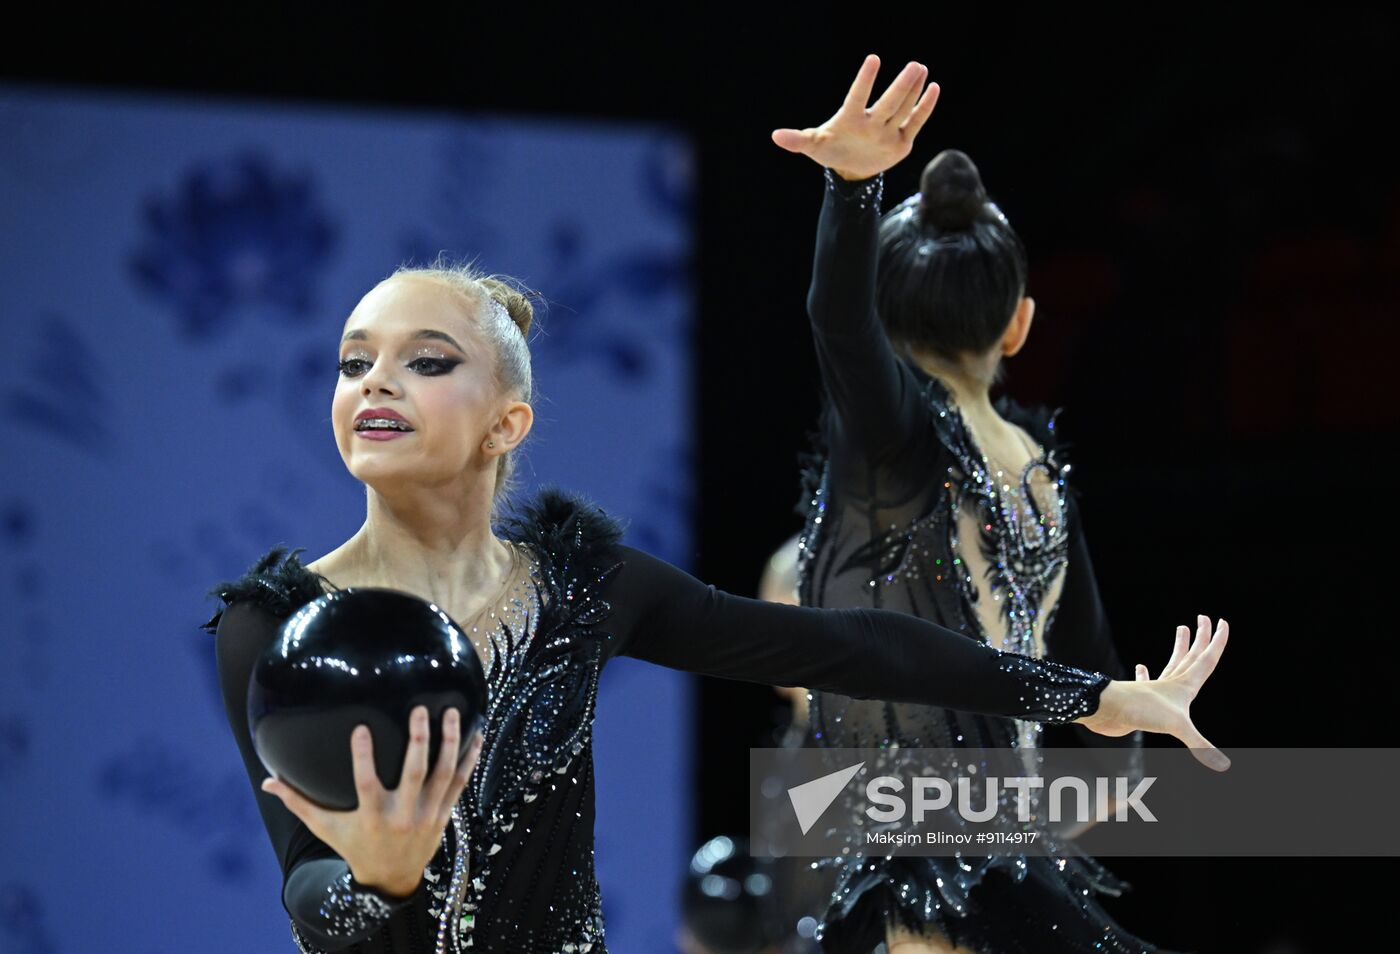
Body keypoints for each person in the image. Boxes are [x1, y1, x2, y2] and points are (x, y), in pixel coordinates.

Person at [203, 255, 1228, 953]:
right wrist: (373, 883)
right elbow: (302, 879)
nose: (375, 382)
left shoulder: (582, 588)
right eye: (354, 362)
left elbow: (855, 648)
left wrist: (1089, 695)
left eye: (425, 361)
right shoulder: (279, 625)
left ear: (506, 423)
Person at [772, 56, 1205, 953]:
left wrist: (852, 190)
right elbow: (1110, 734)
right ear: (1018, 324)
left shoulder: (895, 444)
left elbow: (838, 324)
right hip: (1010, 878)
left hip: (920, 882)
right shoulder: (1043, 477)